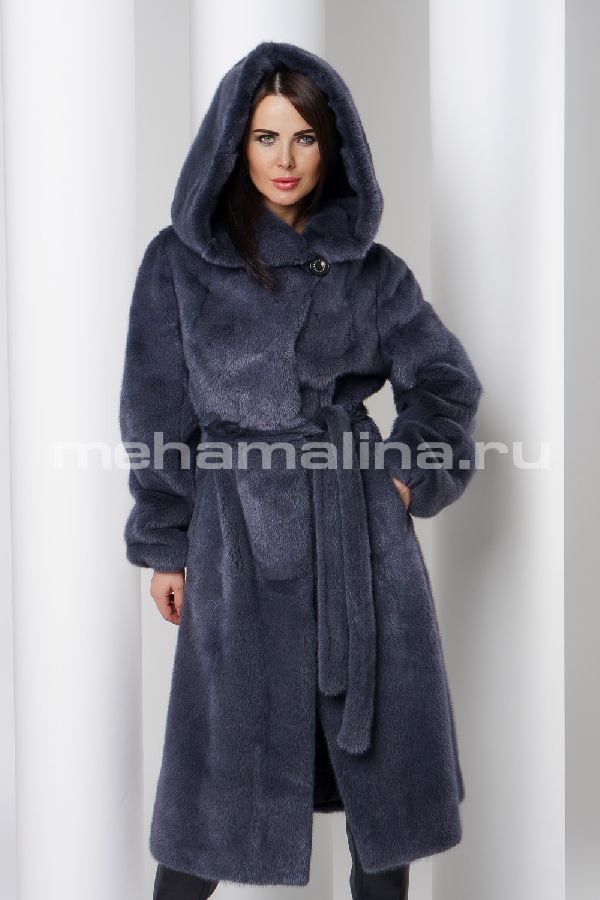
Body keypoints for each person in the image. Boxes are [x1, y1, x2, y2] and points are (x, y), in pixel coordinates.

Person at [119, 41, 483, 899]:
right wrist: (165, 542)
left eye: (305, 138)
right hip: (235, 545)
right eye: (265, 137)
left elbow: (444, 382)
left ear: (334, 145)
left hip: (360, 544)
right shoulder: (179, 262)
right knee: (213, 791)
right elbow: (155, 411)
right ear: (232, 144)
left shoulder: (374, 273)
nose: (285, 160)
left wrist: (402, 477)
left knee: (381, 795)